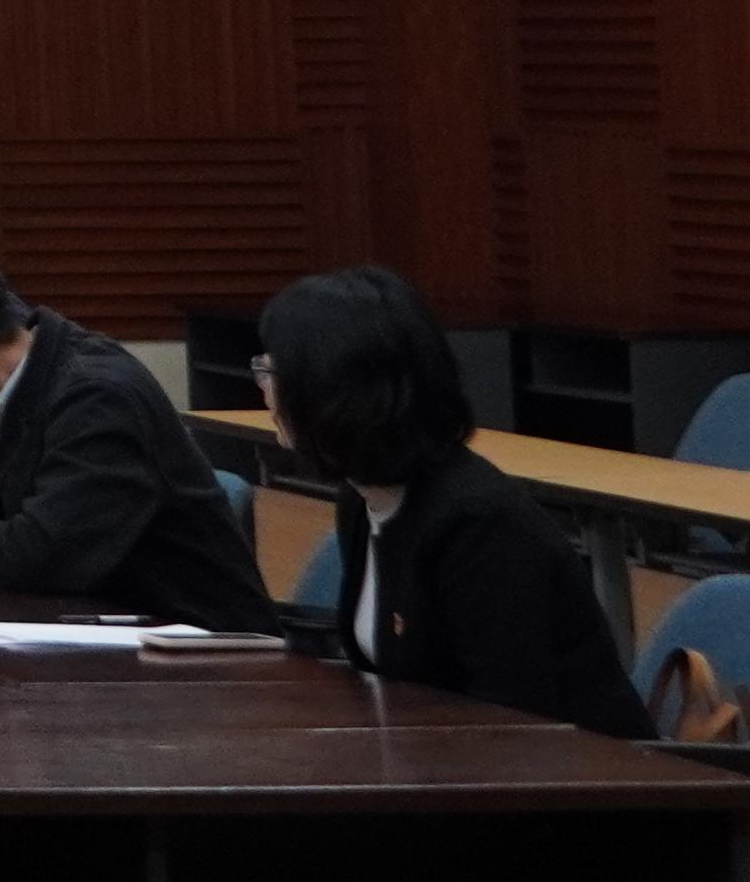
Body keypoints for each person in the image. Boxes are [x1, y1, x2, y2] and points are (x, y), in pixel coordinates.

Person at [264, 265, 647, 736]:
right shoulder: (361, 500)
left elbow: (511, 723)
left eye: (273, 371)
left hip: (589, 773)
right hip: (447, 761)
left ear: (333, 390)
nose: (265, 389)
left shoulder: (481, 526)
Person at [0, 240, 275, 635]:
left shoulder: (98, 396)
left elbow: (51, 551)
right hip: (115, 644)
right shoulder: (25, 382)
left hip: (213, 657)